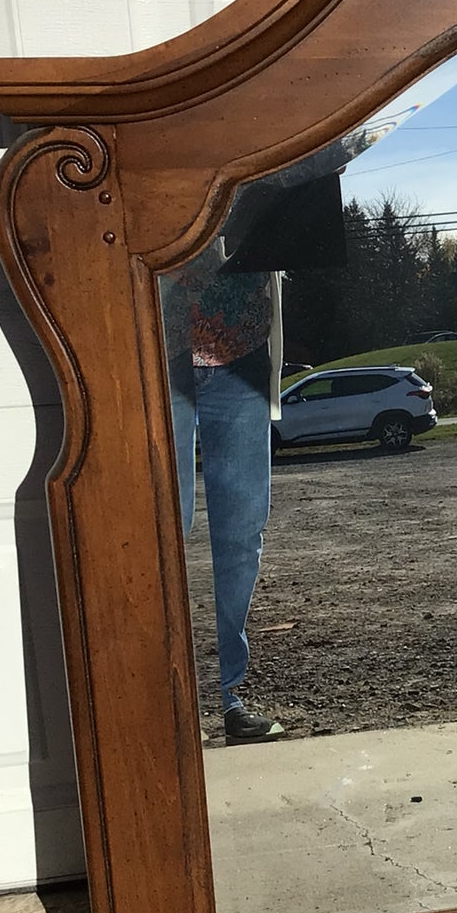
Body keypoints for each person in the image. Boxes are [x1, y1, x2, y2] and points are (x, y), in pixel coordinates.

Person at [164, 240, 286, 745]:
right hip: (153, 346)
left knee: (239, 533)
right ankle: (160, 690)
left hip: (243, 348)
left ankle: (225, 695)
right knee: (163, 526)